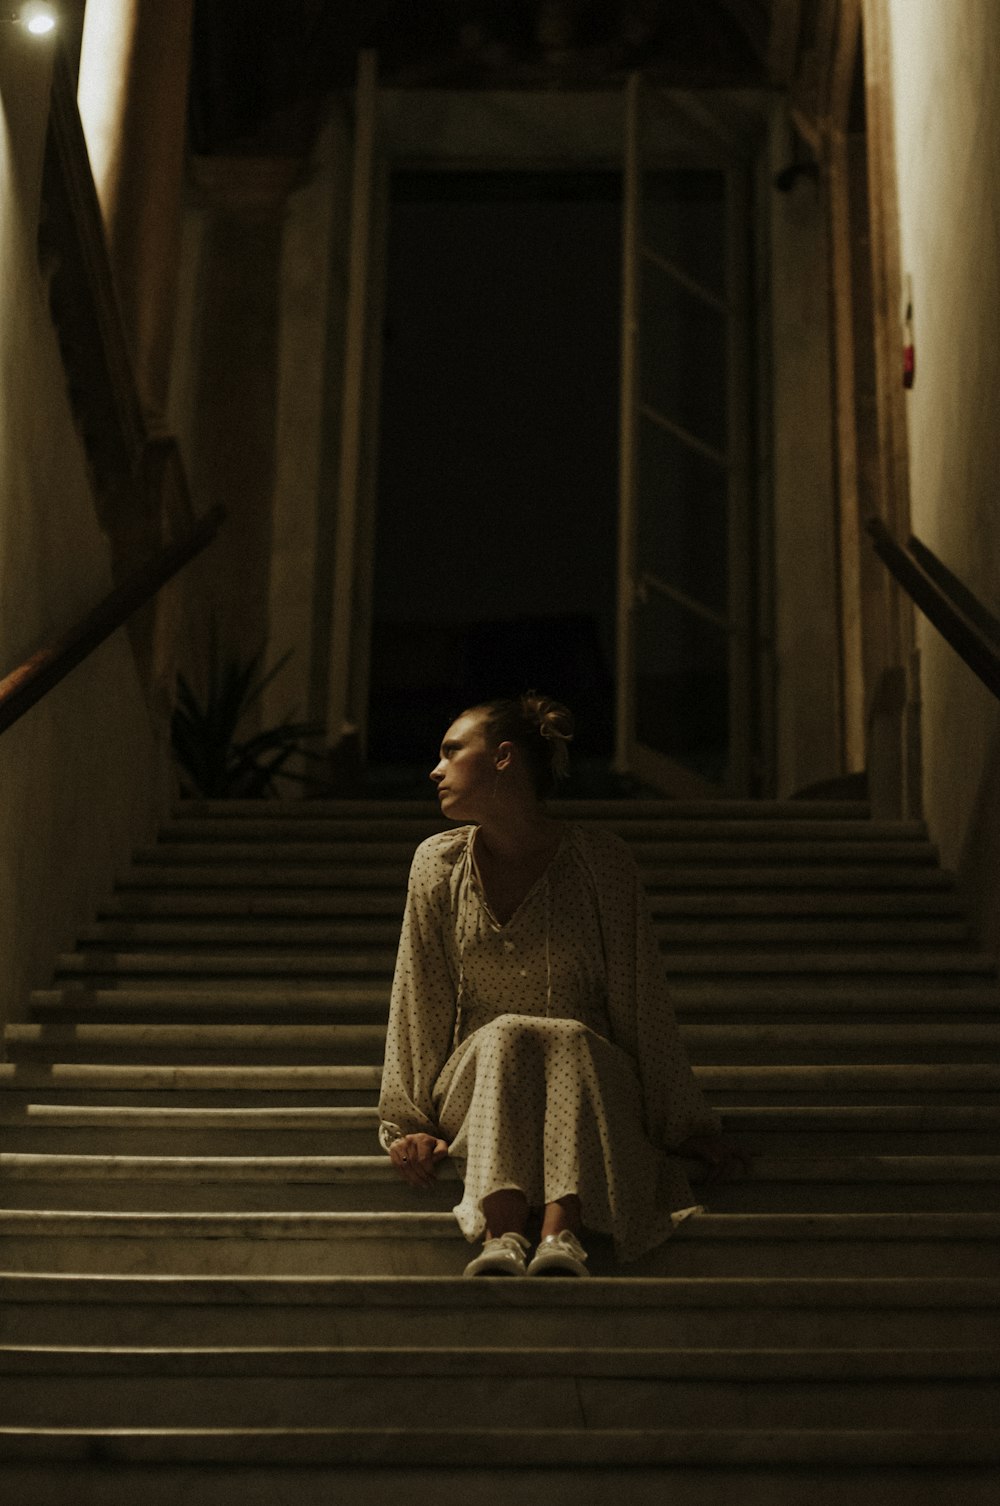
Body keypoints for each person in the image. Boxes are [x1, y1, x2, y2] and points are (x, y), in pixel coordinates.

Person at [378, 692, 747, 1277]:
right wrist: (410, 1125)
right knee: (505, 1034)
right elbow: (418, 998)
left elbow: (640, 997)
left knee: (569, 1036)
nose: (436, 769)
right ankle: (500, 1233)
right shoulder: (437, 864)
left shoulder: (601, 861)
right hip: (483, 1075)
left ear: (502, 758)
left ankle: (560, 1233)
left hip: (587, 1073)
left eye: (452, 752)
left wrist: (684, 1125)